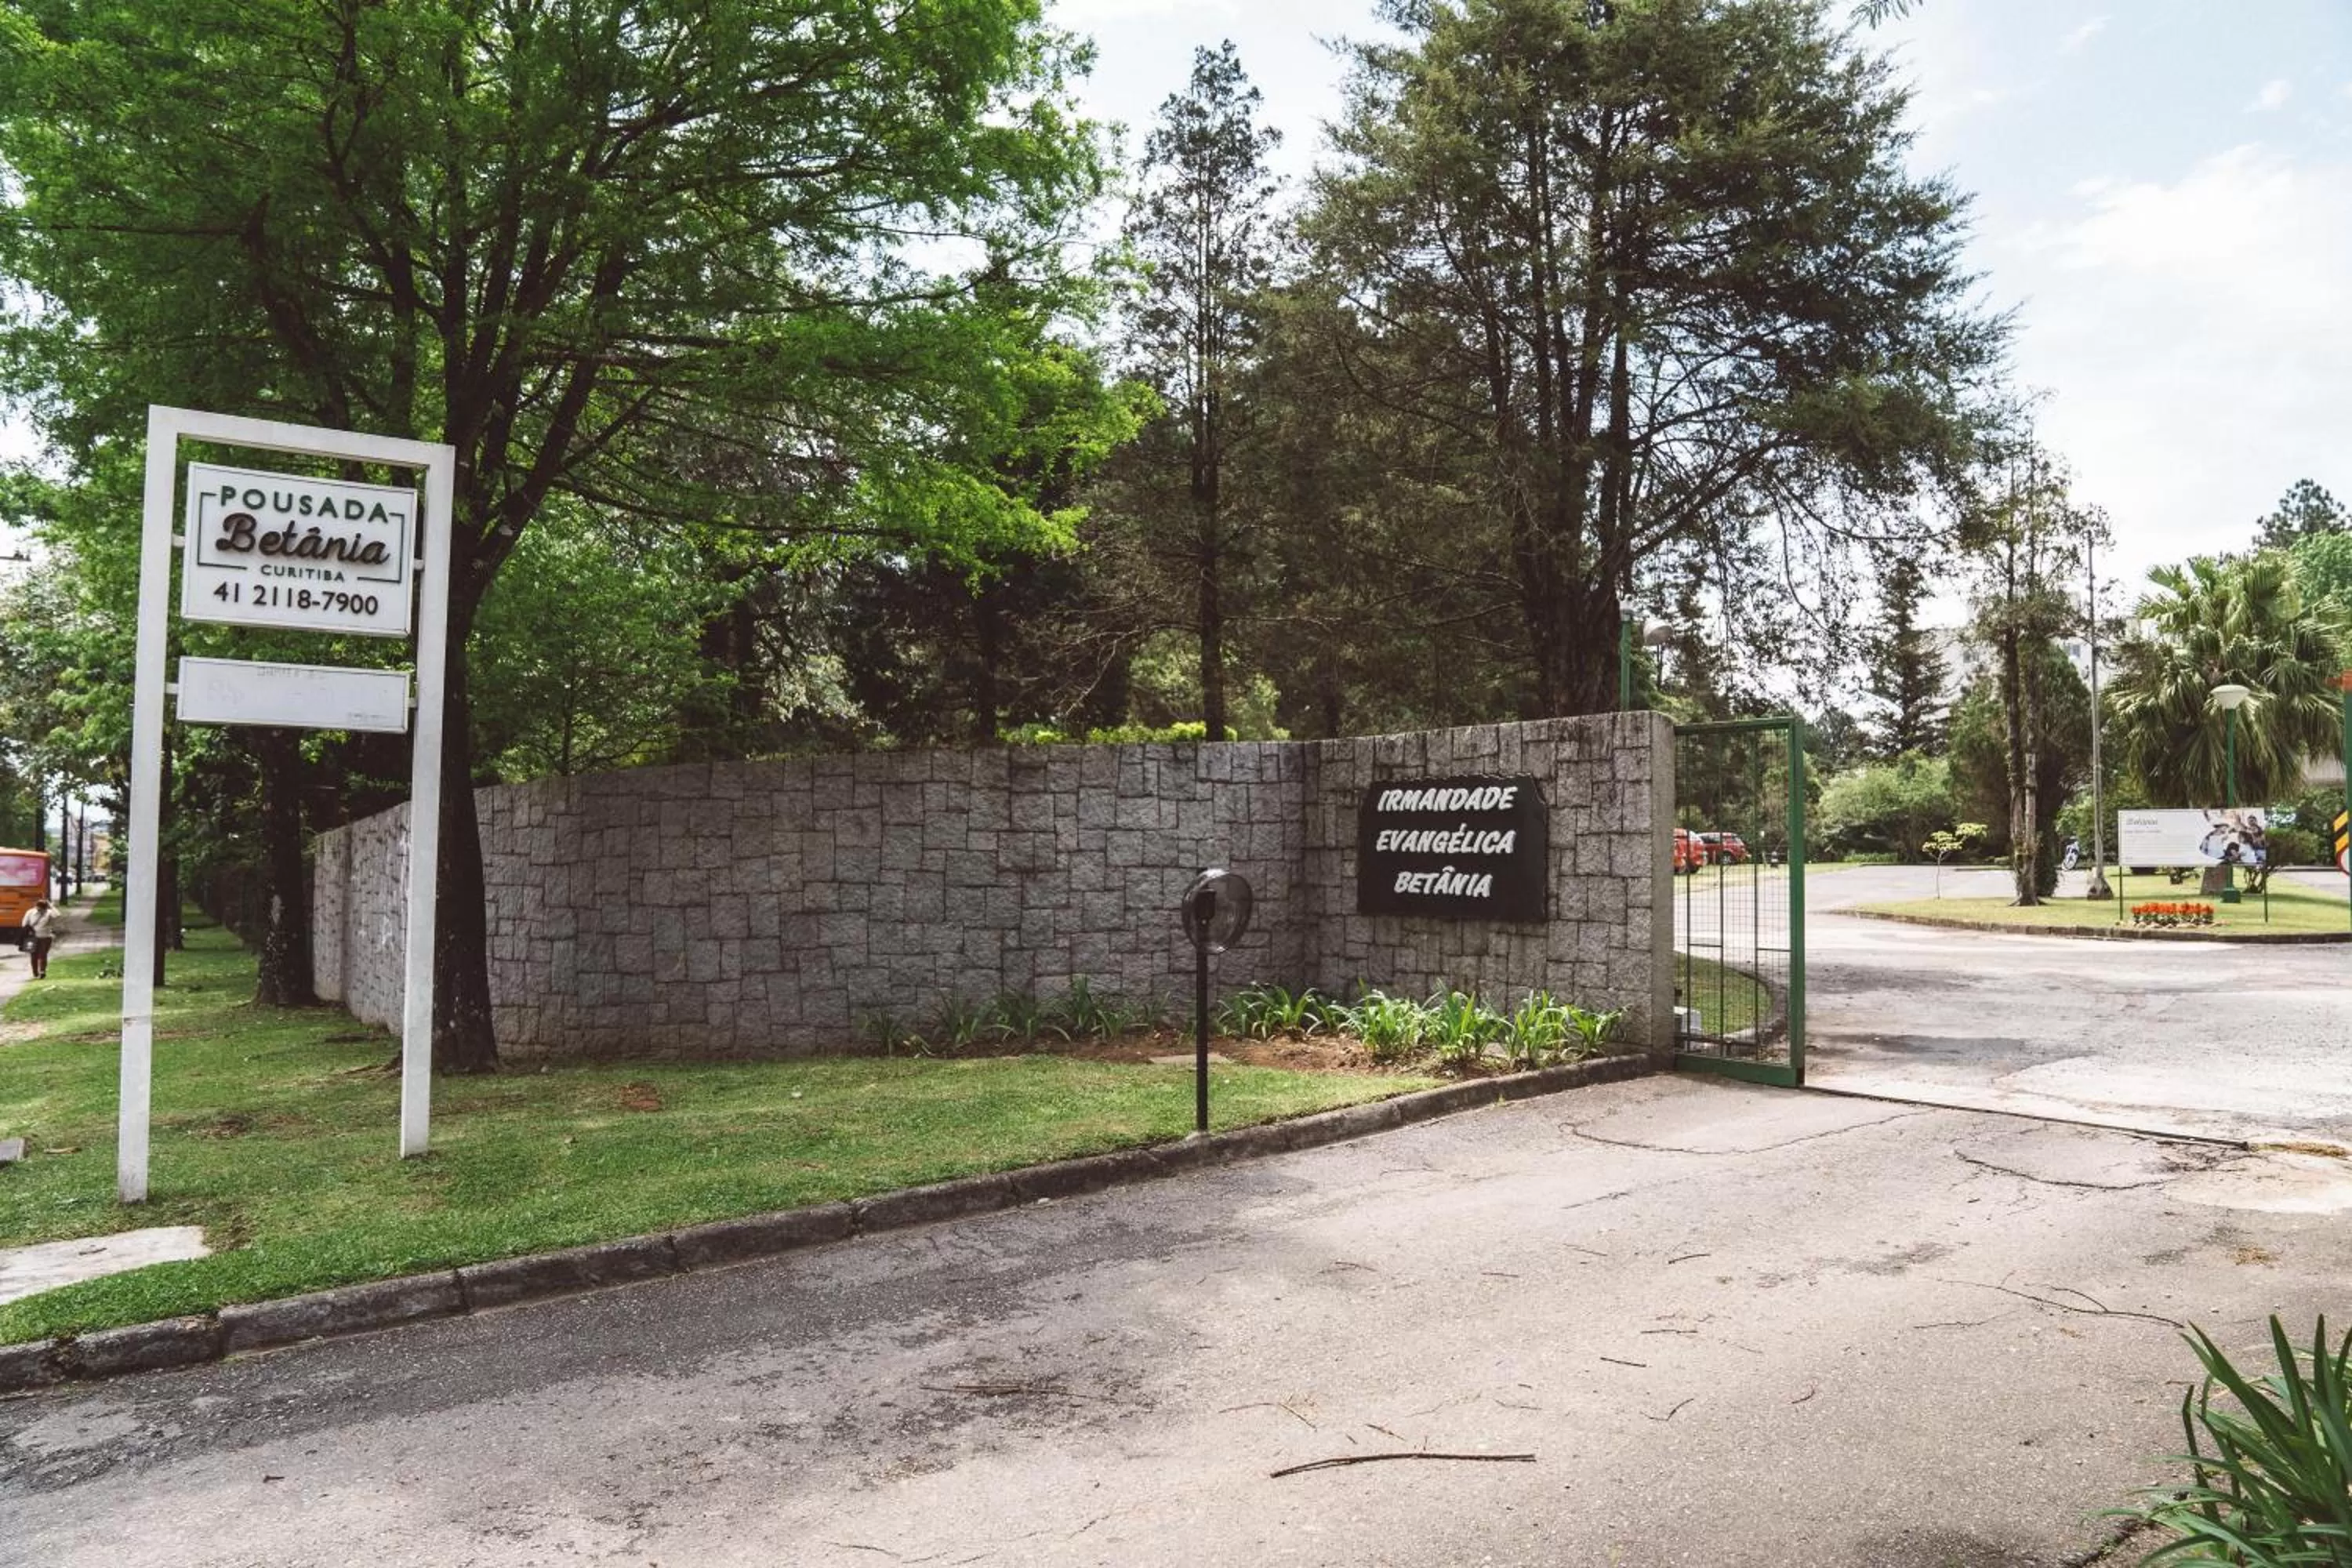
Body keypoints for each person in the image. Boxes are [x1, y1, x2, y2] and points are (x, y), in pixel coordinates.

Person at [24, 895, 56, 980]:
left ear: (46, 908)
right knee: (33, 955)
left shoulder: (49, 913)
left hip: (45, 937)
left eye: (42, 909)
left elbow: (57, 916)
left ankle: (42, 972)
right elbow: (24, 924)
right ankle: (35, 973)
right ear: (36, 906)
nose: (40, 911)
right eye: (39, 908)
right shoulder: (30, 912)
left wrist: (52, 907)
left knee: (43, 955)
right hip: (32, 937)